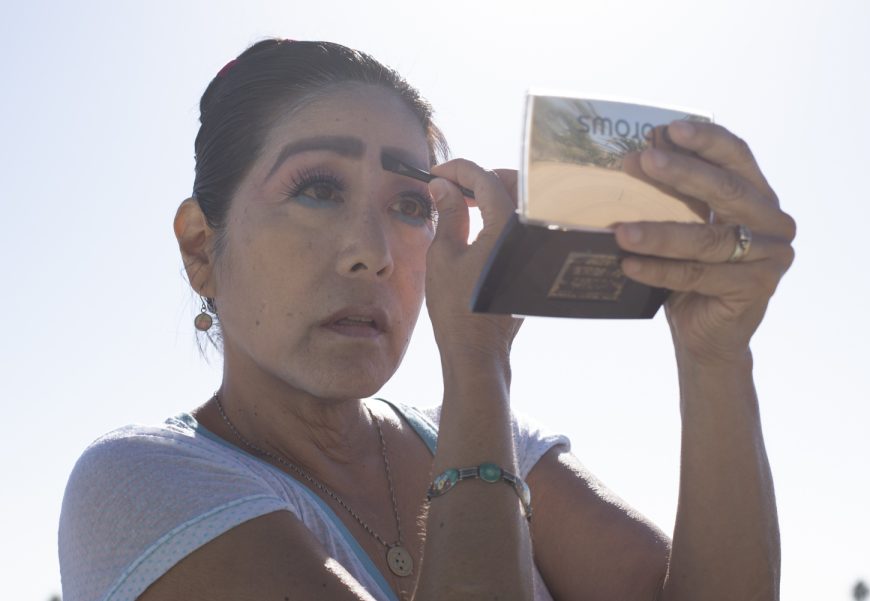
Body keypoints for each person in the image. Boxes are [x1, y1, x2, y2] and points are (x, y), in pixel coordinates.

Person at [58, 39, 795, 601]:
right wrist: (478, 364)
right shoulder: (138, 482)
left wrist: (716, 356)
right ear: (200, 248)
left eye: (410, 205)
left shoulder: (498, 441)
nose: (372, 254)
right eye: (317, 187)